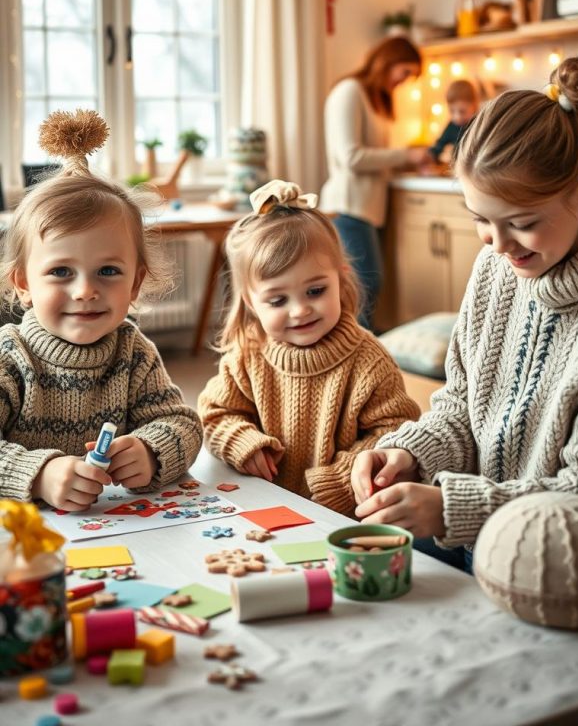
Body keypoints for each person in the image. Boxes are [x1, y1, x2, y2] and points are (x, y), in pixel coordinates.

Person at [351, 55, 578, 573]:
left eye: (521, 222)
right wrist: (410, 454)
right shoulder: (496, 269)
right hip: (473, 544)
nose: (498, 245)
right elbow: (463, 403)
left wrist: (451, 509)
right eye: (480, 219)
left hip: (548, 569)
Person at [0, 110, 202, 509]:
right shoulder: (11, 355)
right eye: (60, 271)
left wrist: (150, 450)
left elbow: (183, 424)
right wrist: (38, 475)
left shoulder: (133, 351)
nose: (86, 290)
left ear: (135, 283)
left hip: (120, 536)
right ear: (23, 284)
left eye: (108, 271)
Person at [198, 179, 419, 516]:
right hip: (262, 507)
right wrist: (243, 442)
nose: (300, 310)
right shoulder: (247, 355)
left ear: (340, 280)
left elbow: (396, 431)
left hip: (343, 516)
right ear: (252, 303)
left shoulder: (368, 360)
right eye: (277, 300)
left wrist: (340, 480)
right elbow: (215, 414)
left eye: (315, 291)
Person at [320, 36, 428, 331]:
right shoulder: (349, 92)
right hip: (348, 205)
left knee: (366, 287)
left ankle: (365, 354)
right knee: (365, 287)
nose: (404, 82)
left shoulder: (374, 99)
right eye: (404, 72)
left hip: (367, 209)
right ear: (387, 61)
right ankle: (363, 356)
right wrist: (406, 155)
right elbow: (351, 157)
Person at [427, 79, 479, 164]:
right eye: (452, 111)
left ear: (474, 106)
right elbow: (440, 144)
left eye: (462, 111)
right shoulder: (452, 126)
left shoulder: (478, 125)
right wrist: (430, 155)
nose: (457, 117)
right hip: (457, 167)